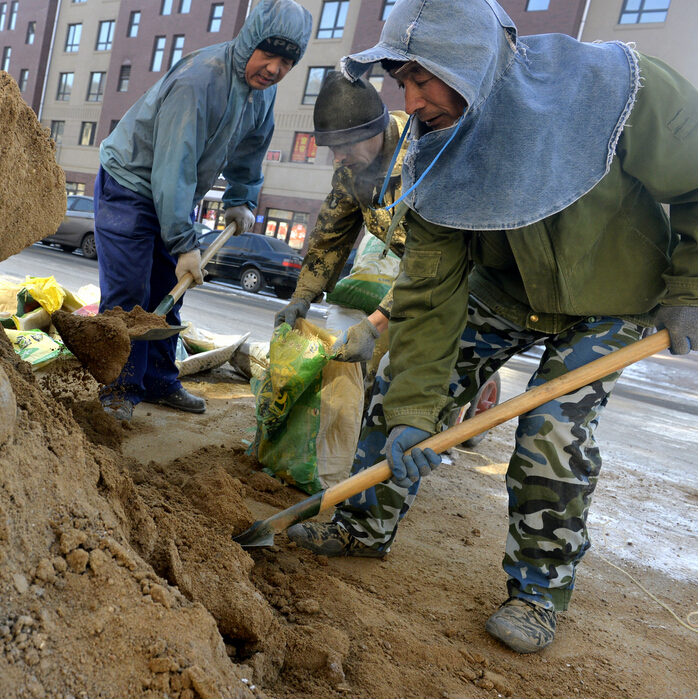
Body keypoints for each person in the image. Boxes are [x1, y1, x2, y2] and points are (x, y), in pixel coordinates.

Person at [286, 0, 698, 654]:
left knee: (553, 430)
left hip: (614, 298)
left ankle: (537, 592)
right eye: (402, 82)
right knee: (398, 395)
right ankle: (361, 528)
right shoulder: (434, 157)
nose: (411, 101)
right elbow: (430, 294)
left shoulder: (615, 87)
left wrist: (690, 289)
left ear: (469, 59)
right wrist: (416, 412)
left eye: (423, 79)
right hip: (503, 289)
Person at [94, 0, 312, 423]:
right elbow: (173, 164)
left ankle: (159, 381)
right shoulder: (200, 80)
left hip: (174, 191)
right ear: (250, 42)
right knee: (130, 294)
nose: (274, 69)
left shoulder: (261, 94)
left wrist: (241, 198)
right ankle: (118, 390)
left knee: (169, 290)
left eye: (287, 61)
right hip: (131, 183)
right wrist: (183, 243)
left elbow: (250, 150)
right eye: (268, 54)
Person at [274, 70, 408, 366]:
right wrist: (302, 297)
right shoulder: (352, 168)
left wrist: (374, 325)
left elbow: (430, 260)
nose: (338, 157)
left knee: (401, 374)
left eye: (345, 146)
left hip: (463, 280)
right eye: (332, 148)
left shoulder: (420, 157)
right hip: (418, 277)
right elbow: (330, 237)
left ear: (373, 131)